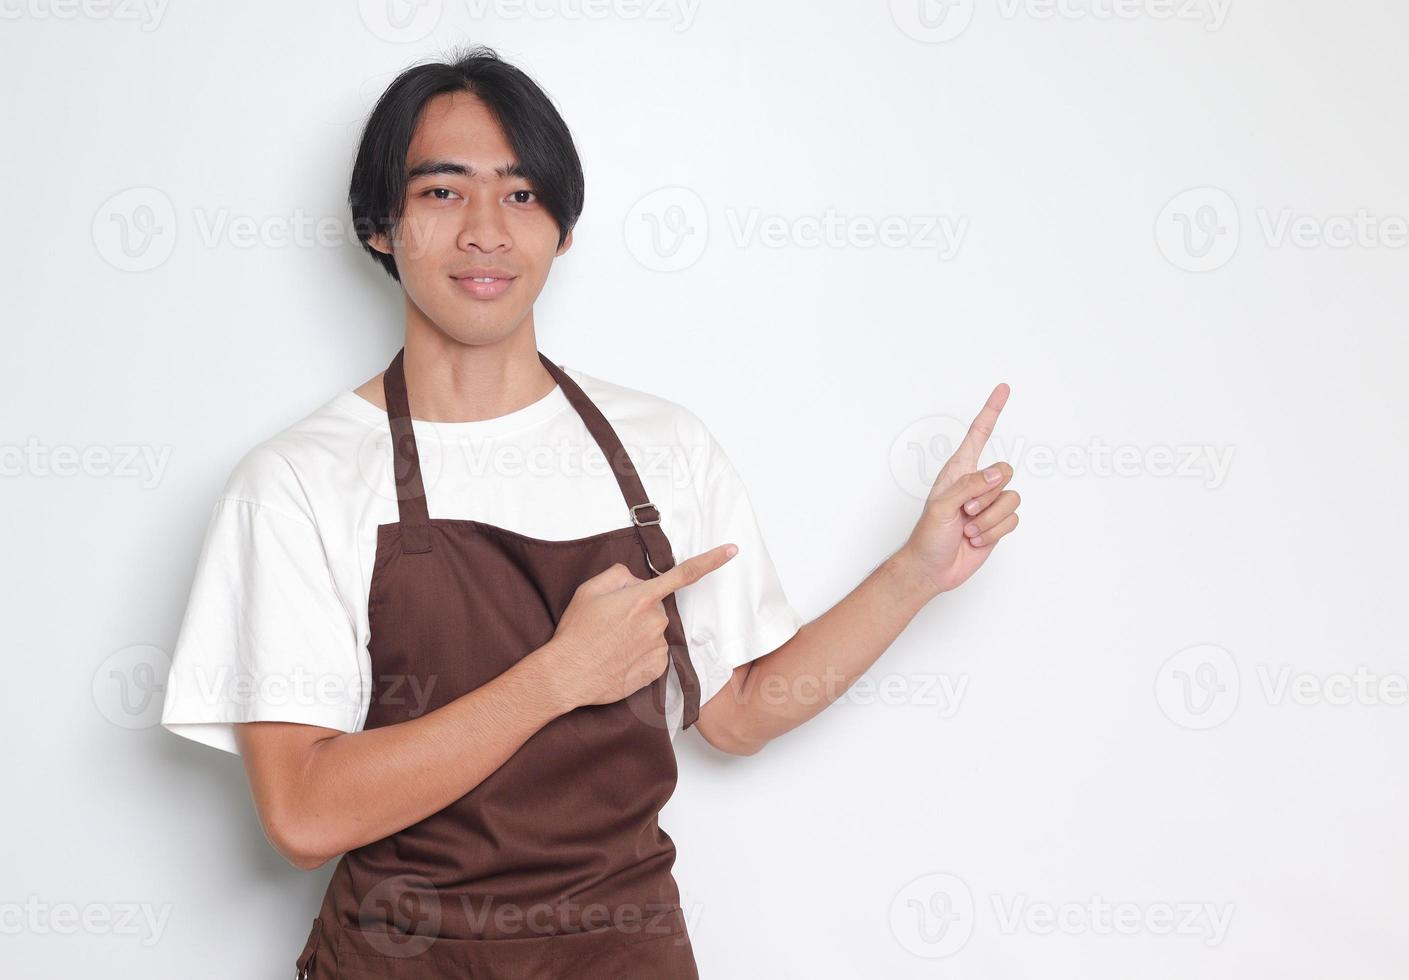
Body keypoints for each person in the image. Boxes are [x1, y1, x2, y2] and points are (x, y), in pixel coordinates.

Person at [159, 44, 1021, 979]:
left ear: (562, 230)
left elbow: (736, 713)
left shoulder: (661, 449)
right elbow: (304, 815)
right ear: (380, 225)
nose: (487, 231)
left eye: (522, 194)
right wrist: (559, 675)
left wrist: (916, 575)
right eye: (443, 193)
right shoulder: (295, 481)